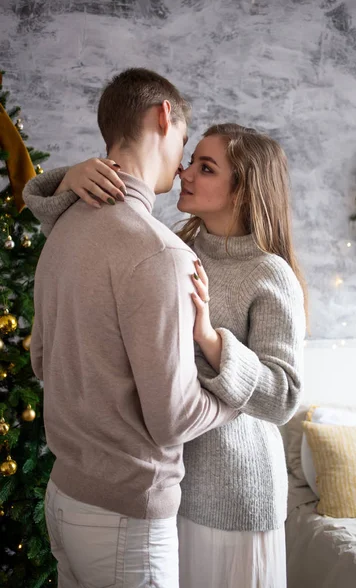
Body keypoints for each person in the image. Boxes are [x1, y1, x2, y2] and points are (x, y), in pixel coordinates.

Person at [24, 121, 307, 587]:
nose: (184, 172)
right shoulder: (173, 246)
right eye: (191, 159)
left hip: (234, 494)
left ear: (242, 190)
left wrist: (212, 341)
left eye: (206, 168)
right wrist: (72, 178)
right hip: (166, 486)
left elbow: (284, 397)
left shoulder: (269, 274)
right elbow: (95, 237)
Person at [24, 69, 239, 588]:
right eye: (185, 143)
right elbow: (174, 418)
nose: (184, 164)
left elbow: (40, 357)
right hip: (126, 518)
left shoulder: (65, 226)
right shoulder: (160, 254)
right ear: (164, 116)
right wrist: (236, 397)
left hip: (65, 498)